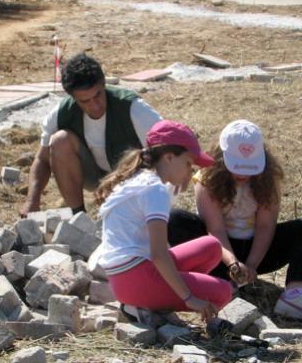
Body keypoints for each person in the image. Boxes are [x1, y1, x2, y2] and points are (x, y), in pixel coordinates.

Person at [167, 120, 302, 322]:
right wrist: (233, 263)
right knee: (175, 220)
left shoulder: (269, 179)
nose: (242, 173)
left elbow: (265, 225)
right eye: (237, 166)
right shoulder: (206, 179)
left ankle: (295, 297)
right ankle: (214, 282)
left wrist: (251, 265)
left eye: (249, 167)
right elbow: (215, 229)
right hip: (218, 250)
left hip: (258, 249)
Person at [96, 120, 234, 333]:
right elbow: (159, 254)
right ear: (169, 157)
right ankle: (149, 307)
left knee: (211, 247)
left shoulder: (141, 180)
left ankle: (154, 303)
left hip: (125, 278)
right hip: (135, 279)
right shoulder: (155, 189)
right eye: (188, 163)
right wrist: (190, 298)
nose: (191, 172)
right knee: (222, 292)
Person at [21, 53, 163, 217]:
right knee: (60, 141)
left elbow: (168, 148)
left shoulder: (133, 108)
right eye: (85, 101)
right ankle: (78, 216)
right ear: (73, 98)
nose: (95, 106)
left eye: (98, 95)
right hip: (96, 177)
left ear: (103, 84)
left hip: (134, 176)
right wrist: (32, 201)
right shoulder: (61, 114)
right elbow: (42, 160)